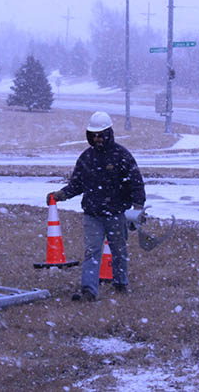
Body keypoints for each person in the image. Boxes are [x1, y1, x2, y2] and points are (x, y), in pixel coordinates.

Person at [47, 111, 146, 301]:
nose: (97, 139)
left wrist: (138, 207)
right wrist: (61, 195)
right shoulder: (86, 158)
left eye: (101, 135)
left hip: (117, 214)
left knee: (119, 251)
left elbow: (136, 183)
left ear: (109, 133)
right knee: (92, 252)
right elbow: (77, 184)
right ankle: (89, 291)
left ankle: (120, 284)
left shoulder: (122, 156)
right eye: (94, 135)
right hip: (92, 214)